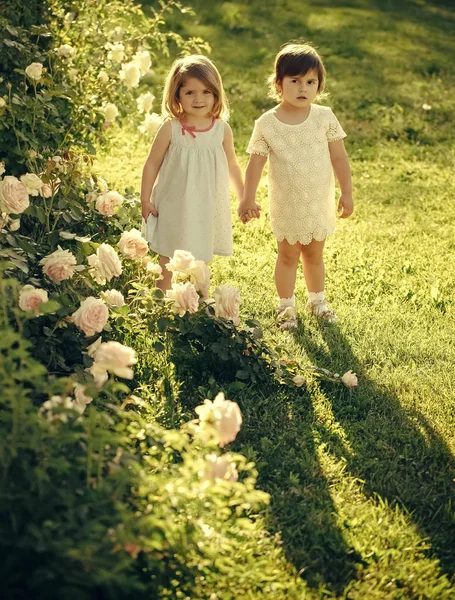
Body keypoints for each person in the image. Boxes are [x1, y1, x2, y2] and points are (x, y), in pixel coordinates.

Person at [239, 42, 353, 328]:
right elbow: (255, 164)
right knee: (288, 254)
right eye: (295, 81)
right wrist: (247, 198)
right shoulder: (267, 123)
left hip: (317, 200)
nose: (303, 88)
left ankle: (317, 301)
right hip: (287, 202)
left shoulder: (324, 117)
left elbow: (339, 158)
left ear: (319, 85)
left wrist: (347, 192)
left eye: (310, 82)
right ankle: (286, 306)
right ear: (279, 84)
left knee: (315, 253)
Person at [141, 55, 254, 291]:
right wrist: (145, 198)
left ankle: (201, 299)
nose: (198, 99)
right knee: (167, 253)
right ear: (177, 95)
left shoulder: (221, 130)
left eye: (206, 92)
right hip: (174, 201)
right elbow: (152, 163)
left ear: (216, 94)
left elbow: (233, 165)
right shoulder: (170, 129)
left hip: (206, 203)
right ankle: (162, 297)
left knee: (201, 254)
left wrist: (245, 197)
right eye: (190, 92)